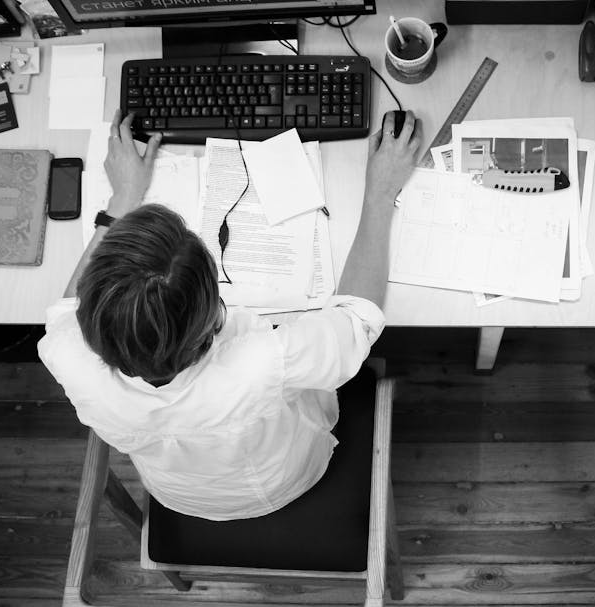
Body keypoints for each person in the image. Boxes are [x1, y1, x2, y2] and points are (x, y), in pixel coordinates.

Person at [38, 110, 422, 520]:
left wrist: (121, 200)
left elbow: (67, 307)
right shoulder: (261, 363)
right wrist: (380, 193)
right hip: (284, 480)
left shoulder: (64, 354)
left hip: (177, 493)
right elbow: (357, 319)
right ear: (211, 311)